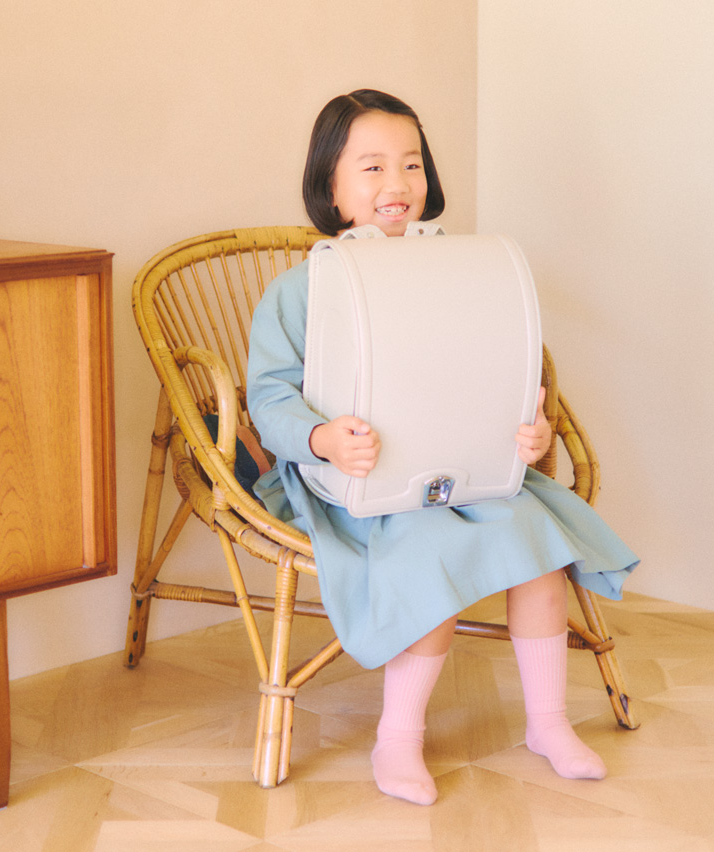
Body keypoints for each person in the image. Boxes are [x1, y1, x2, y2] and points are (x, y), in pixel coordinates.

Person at [246, 89, 638, 806]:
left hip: (465, 470)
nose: (397, 183)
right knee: (426, 561)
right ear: (330, 189)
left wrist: (530, 427)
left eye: (411, 164)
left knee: (540, 558)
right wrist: (322, 437)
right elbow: (269, 398)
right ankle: (398, 737)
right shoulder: (301, 290)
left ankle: (548, 723)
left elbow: (500, 367)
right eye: (371, 167)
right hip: (353, 481)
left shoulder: (461, 270)